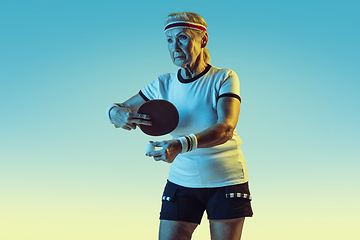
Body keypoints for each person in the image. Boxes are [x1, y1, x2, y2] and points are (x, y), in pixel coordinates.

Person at [106, 12, 253, 240]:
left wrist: (180, 145)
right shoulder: (162, 84)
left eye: (182, 38)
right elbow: (122, 107)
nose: (174, 46)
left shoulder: (224, 77)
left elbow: (226, 128)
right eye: (169, 40)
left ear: (202, 40)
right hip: (182, 179)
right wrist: (114, 113)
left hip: (226, 178)